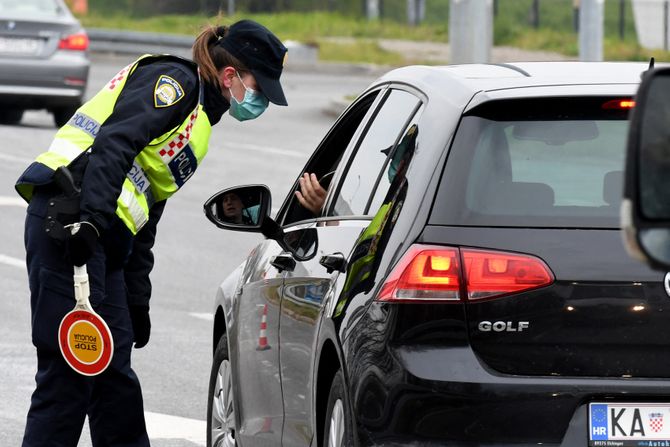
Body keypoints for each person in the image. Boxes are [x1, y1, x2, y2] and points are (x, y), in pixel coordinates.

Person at [14, 19, 288, 447]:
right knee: (68, 379)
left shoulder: (199, 124)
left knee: (114, 381)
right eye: (259, 88)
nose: (260, 102)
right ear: (230, 76)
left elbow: (146, 210)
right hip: (68, 222)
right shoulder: (174, 83)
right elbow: (115, 143)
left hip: (104, 238)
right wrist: (89, 222)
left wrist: (136, 296)